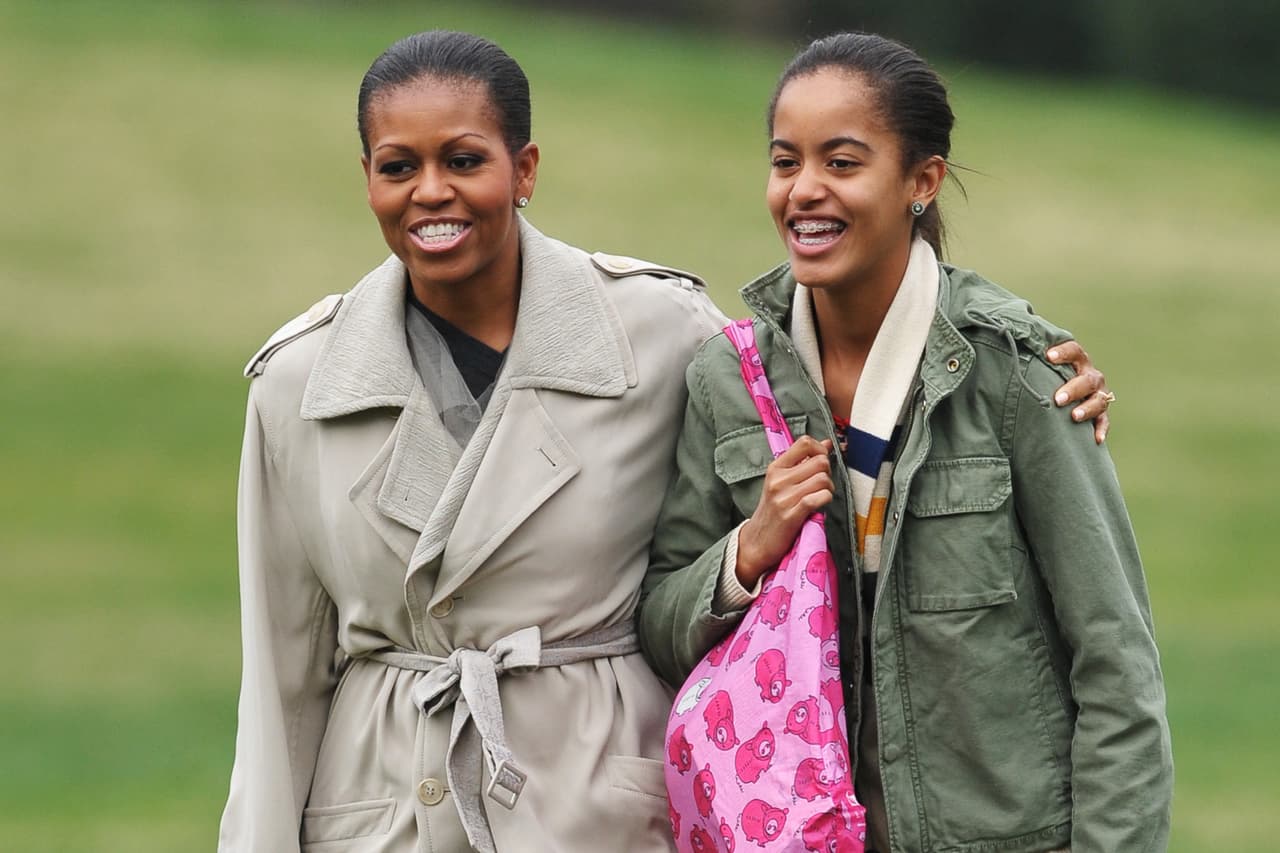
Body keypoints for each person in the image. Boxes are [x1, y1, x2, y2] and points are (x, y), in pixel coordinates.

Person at [219, 30, 1112, 853]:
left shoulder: (655, 330)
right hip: (385, 806)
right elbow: (281, 673)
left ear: (524, 168)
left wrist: (1036, 365)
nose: (430, 192)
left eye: (463, 159)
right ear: (366, 178)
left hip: (596, 805)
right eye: (395, 166)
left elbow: (811, 376)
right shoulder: (299, 382)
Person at [639, 32, 1170, 853]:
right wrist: (748, 550)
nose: (804, 191)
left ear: (922, 181)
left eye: (843, 163)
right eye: (786, 162)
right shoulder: (731, 377)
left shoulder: (1017, 374)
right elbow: (662, 627)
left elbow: (1118, 669)